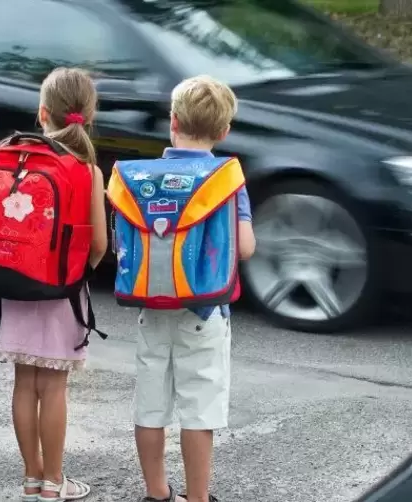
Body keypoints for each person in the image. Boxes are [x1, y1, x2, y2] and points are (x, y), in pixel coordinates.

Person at [0, 67, 108, 501]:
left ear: (42, 112)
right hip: (61, 292)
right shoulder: (86, 169)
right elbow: (99, 245)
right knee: (53, 386)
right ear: (87, 116)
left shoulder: (10, 153)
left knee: (23, 384)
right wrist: (76, 271)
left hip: (12, 284)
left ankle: (31, 479)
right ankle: (55, 482)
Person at [133, 76, 256, 502]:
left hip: (152, 303)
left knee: (150, 407)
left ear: (172, 121)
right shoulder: (226, 178)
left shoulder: (142, 178)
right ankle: (198, 497)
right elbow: (243, 248)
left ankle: (156, 493)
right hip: (205, 312)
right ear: (224, 132)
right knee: (198, 411)